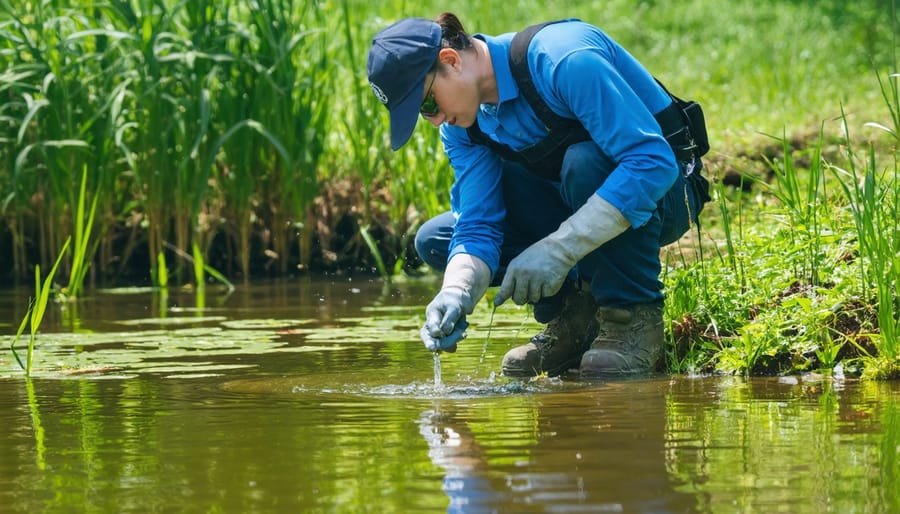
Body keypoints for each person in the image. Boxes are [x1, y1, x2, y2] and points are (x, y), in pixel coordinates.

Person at [366, 13, 709, 378]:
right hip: (578, 198)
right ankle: (574, 320)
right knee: (438, 240)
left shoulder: (563, 60)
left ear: (450, 61)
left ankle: (631, 317)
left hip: (669, 194)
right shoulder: (463, 126)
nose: (433, 120)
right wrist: (456, 292)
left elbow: (651, 163)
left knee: (585, 161)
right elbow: (478, 223)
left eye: (428, 104)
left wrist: (558, 250)